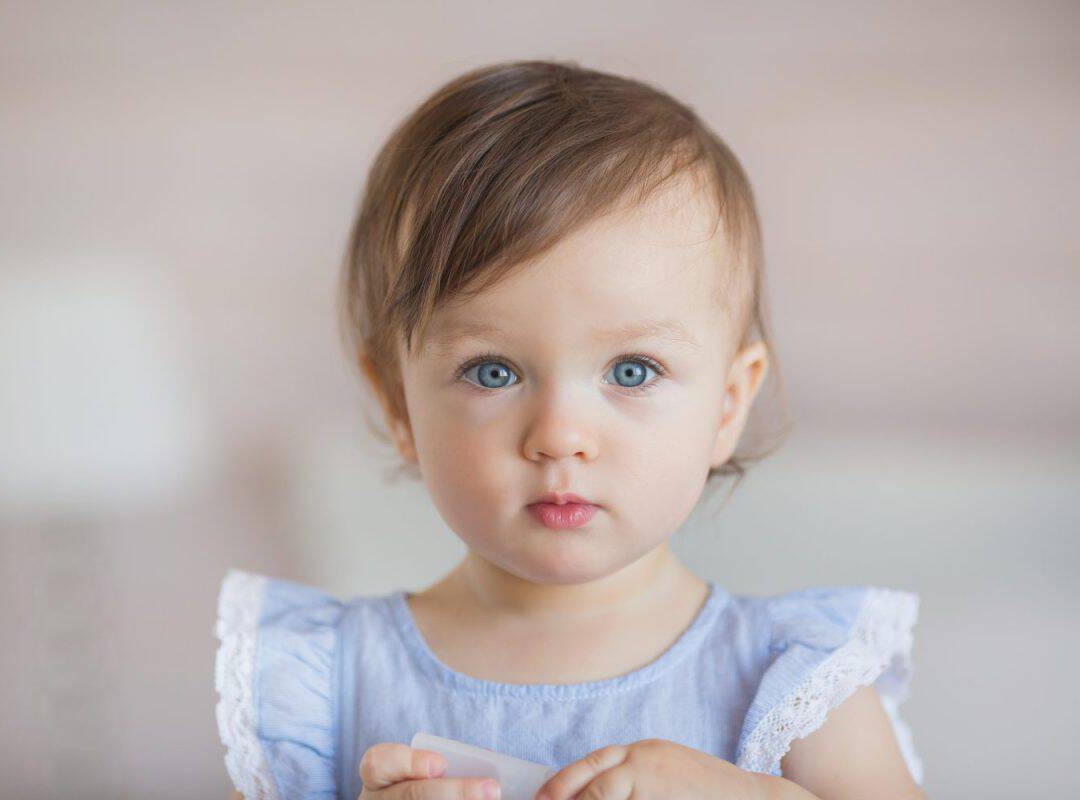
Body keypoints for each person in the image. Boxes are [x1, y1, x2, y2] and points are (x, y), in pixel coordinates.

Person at [215, 59, 927, 800]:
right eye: (493, 372)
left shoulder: (798, 685)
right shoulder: (323, 686)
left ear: (726, 404)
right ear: (399, 406)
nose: (559, 437)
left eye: (631, 371)